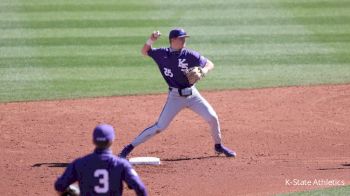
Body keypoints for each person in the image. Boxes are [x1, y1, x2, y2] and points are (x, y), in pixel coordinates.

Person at [119, 28, 236, 159]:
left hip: (193, 95)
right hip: (175, 97)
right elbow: (144, 51)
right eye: (182, 38)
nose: (184, 40)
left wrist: (204, 71)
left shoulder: (189, 54)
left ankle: (218, 146)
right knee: (160, 127)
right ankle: (128, 147)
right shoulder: (161, 54)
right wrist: (151, 39)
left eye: (185, 38)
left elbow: (210, 64)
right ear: (173, 40)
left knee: (212, 118)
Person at [54, 124, 148, 196]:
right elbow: (140, 188)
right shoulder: (122, 165)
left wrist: (72, 189)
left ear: (93, 141)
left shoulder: (79, 163)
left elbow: (59, 185)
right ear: (112, 140)